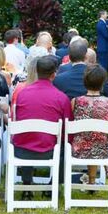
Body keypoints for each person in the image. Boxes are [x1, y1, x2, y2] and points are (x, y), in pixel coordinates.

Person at [13, 56, 72, 197]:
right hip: (50, 150)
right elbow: (67, 130)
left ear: (37, 72)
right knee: (68, 148)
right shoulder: (61, 97)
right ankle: (52, 185)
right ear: (54, 75)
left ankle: (27, 185)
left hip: (22, 150)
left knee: (26, 138)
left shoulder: (22, 94)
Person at [71, 65, 108, 185]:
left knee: (89, 139)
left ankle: (91, 181)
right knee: (97, 139)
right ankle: (94, 179)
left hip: (77, 149)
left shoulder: (75, 101)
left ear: (84, 81)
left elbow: (71, 123)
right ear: (102, 83)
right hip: (102, 151)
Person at [95, 10, 108, 75]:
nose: (107, 15)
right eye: (106, 14)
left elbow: (106, 32)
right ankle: (102, 78)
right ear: (102, 15)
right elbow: (106, 35)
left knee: (104, 63)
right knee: (103, 64)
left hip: (103, 47)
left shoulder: (103, 23)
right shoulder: (101, 23)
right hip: (103, 47)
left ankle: (102, 77)